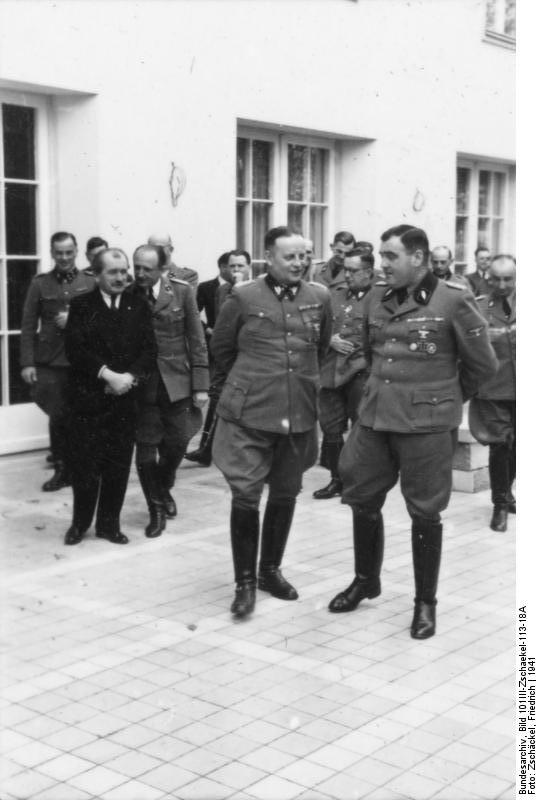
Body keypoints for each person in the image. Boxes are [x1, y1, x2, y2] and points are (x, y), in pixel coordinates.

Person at [328, 224, 498, 639]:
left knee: (425, 510)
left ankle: (425, 603)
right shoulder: (376, 297)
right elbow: (371, 353)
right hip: (376, 416)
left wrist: (444, 398)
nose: (381, 264)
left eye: (390, 256)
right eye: (382, 257)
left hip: (426, 423)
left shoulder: (453, 300)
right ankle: (366, 579)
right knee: (361, 495)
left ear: (418, 258)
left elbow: (484, 365)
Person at [211, 226, 332, 618]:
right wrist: (239, 391)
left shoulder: (320, 296)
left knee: (285, 492)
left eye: (305, 255)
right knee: (246, 495)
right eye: (290, 256)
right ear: (268, 258)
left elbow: (323, 349)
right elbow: (222, 351)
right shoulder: (243, 296)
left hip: (297, 414)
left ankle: (269, 571)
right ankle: (244, 583)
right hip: (249, 415)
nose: (300, 263)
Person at [63, 248, 156, 546]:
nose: (121, 277)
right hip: (88, 400)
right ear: (97, 274)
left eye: (123, 271)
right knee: (85, 466)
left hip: (125, 399)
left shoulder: (138, 305)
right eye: (113, 272)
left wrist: (128, 377)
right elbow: (76, 351)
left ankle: (108, 525)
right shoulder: (81, 306)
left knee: (117, 464)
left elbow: (149, 351)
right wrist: (108, 375)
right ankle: (80, 523)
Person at [131, 244, 209, 536]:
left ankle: (164, 487)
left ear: (162, 268)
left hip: (177, 382)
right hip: (142, 386)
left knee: (177, 442)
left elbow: (196, 339)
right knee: (145, 449)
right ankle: (156, 509)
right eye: (136, 267)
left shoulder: (181, 291)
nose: (139, 273)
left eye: (146, 269)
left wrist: (201, 384)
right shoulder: (126, 294)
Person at [20, 231, 95, 491]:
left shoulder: (90, 282)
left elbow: (102, 320)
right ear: (52, 253)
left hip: (81, 360)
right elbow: (28, 325)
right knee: (57, 414)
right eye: (59, 253)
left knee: (82, 414)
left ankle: (81, 468)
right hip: (51, 362)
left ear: (76, 252)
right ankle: (62, 469)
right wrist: (27, 363)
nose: (64, 257)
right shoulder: (40, 283)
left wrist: (75, 318)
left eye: (68, 252)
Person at [313, 249, 375, 500]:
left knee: (362, 429)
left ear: (369, 272)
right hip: (331, 371)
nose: (346, 275)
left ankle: (360, 481)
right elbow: (314, 326)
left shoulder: (380, 299)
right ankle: (336, 480)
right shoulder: (333, 296)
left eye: (352, 271)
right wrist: (330, 339)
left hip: (361, 372)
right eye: (345, 270)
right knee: (331, 428)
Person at [469, 255, 516, 533]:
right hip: (493, 390)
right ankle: (499, 504)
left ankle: (507, 492)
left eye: (507, 278)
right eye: (496, 278)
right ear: (488, 278)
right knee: (501, 445)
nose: (501, 284)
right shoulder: (478, 309)